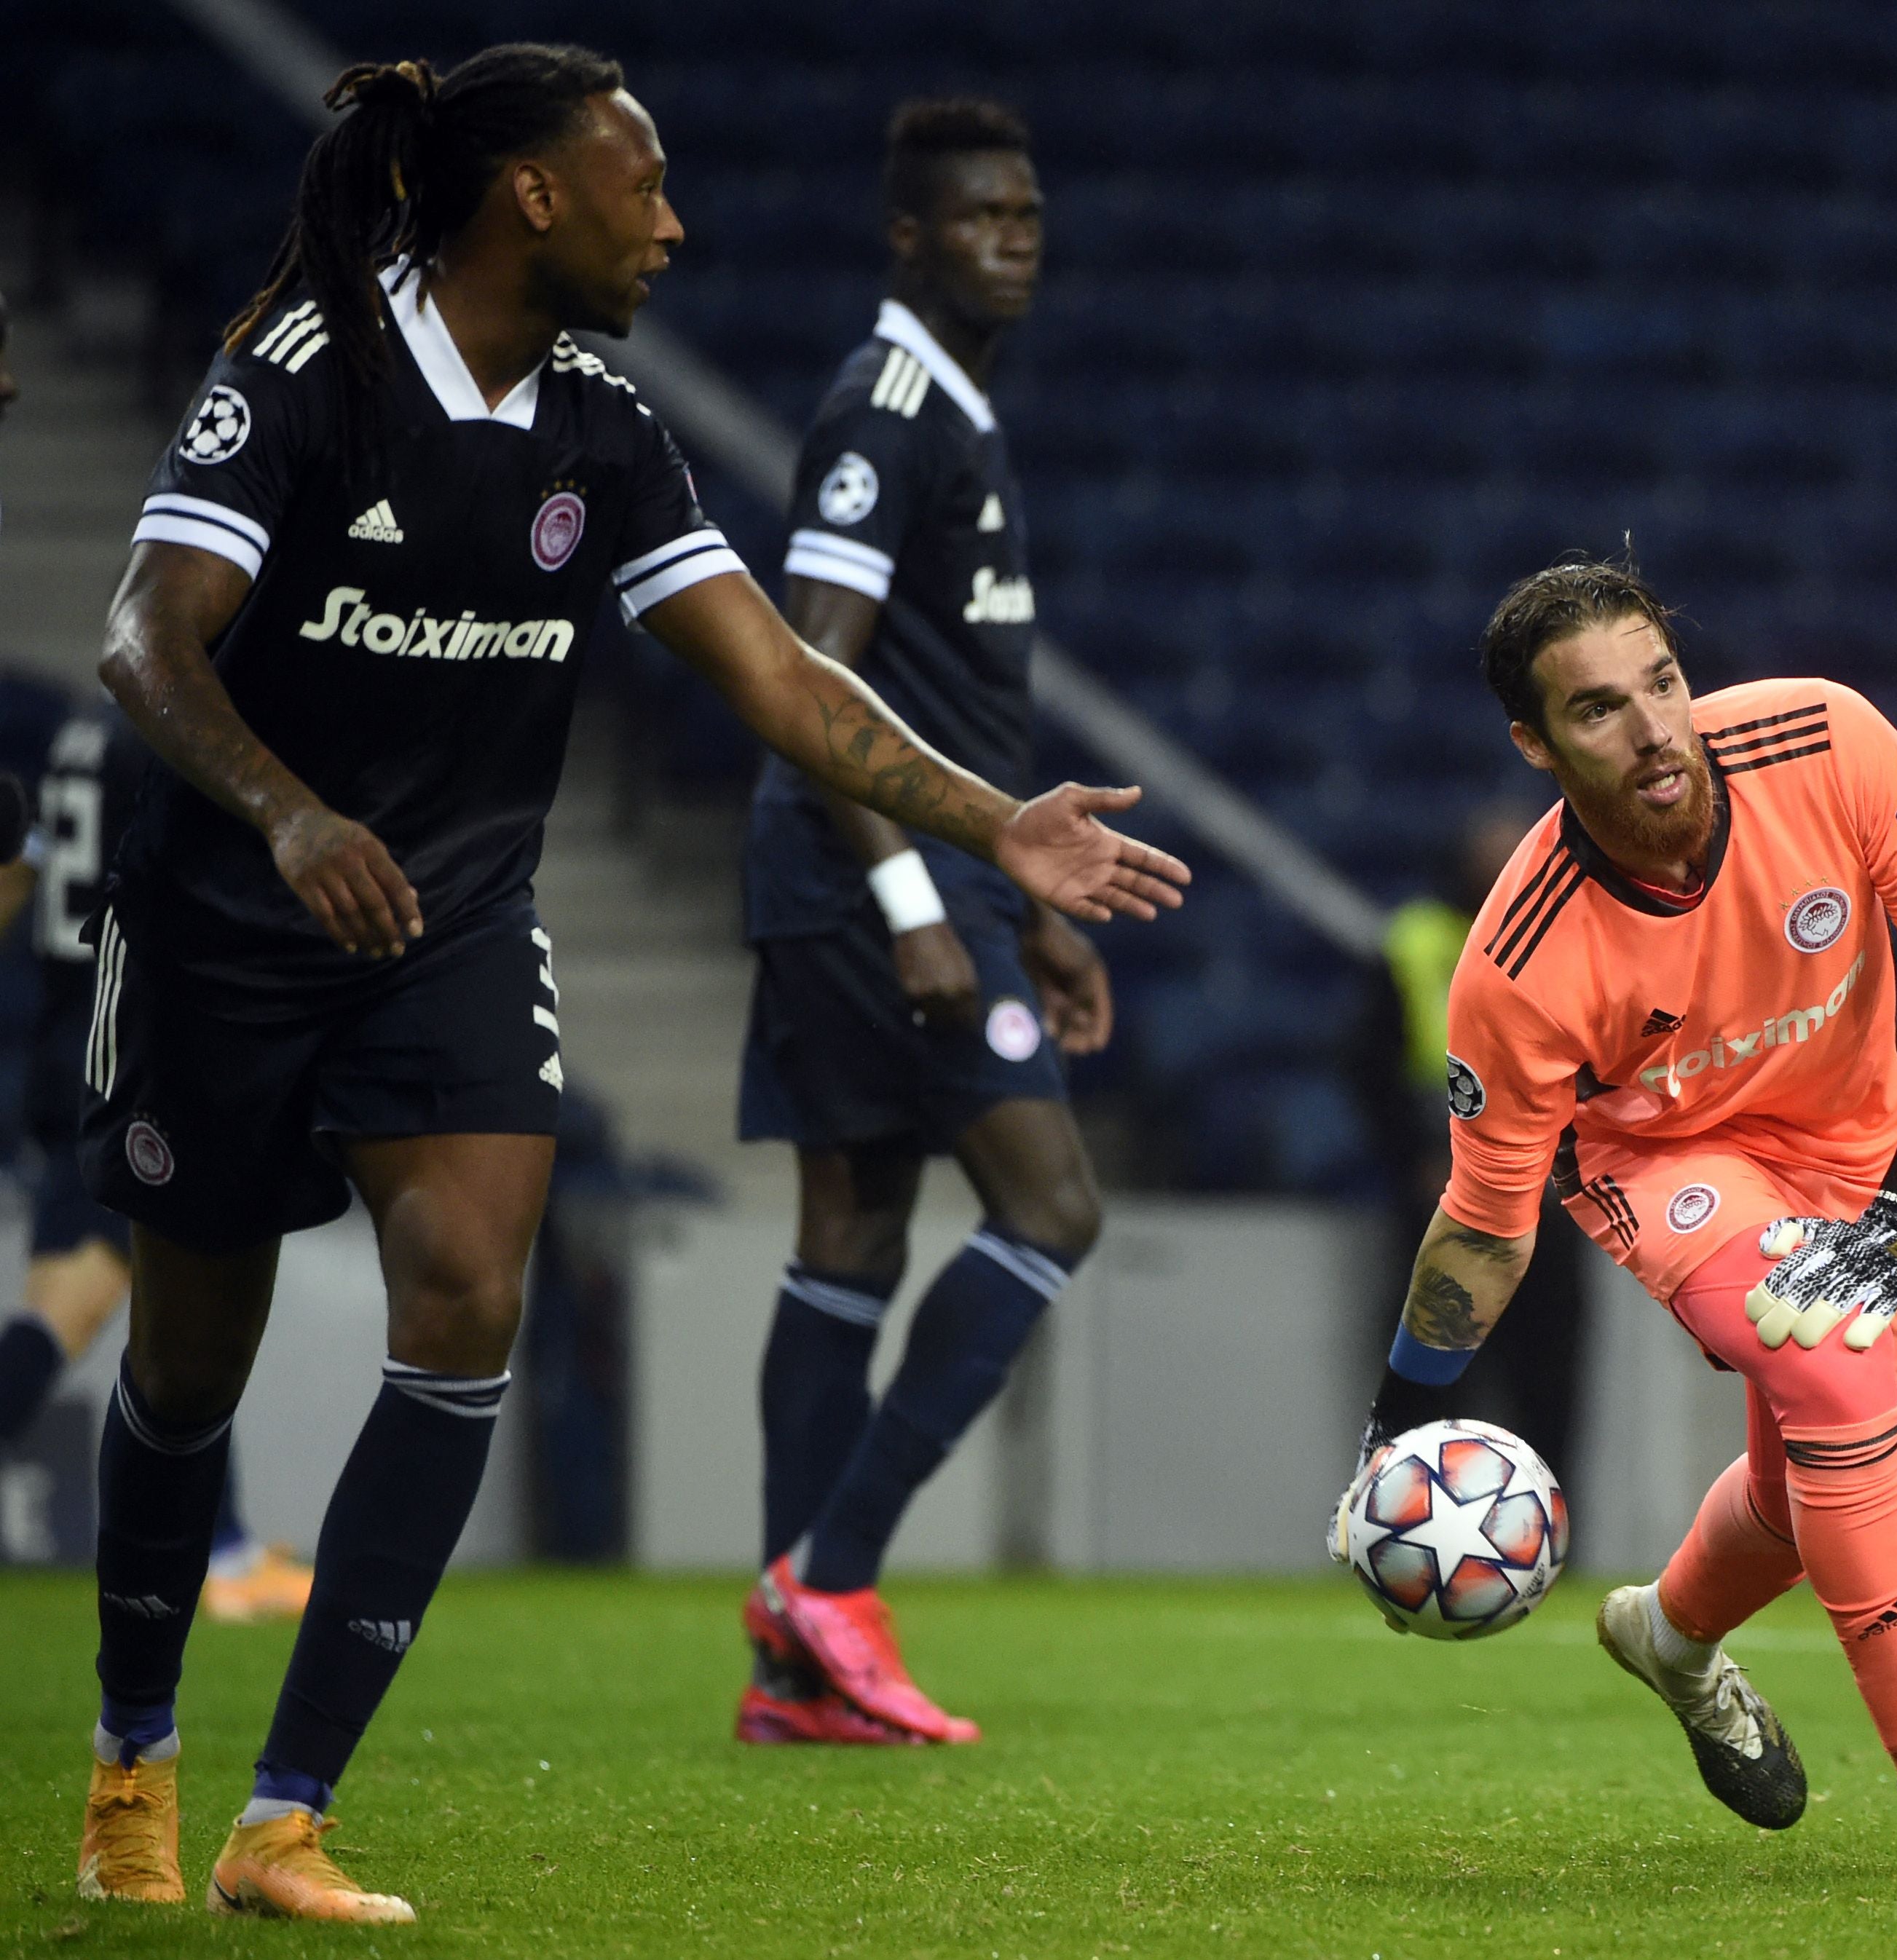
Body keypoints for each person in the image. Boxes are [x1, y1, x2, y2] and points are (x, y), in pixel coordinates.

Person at [73, 47, 1183, 1924]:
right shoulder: (307, 372)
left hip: (454, 923)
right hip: (234, 916)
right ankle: (129, 1764)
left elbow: (781, 680)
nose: (674, 224)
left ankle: (287, 1816)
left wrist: (998, 828)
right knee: (188, 1367)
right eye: (642, 187)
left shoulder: (605, 423)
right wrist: (282, 811)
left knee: (468, 1293)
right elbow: (139, 638)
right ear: (533, 196)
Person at [1329, 556, 1897, 1874]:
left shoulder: (1825, 740)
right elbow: (1486, 1228)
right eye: (1600, 710)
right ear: (1536, 747)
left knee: (1799, 1491)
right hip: (1671, 1162)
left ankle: (1667, 1633)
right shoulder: (1516, 963)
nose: (1657, 726)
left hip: (1855, 1143)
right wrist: (1395, 1427)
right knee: (1839, 1374)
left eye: (1662, 679)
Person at [734, 98, 1115, 1747]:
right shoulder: (885, 410)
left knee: (854, 1232)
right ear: (909, 236)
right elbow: (804, 672)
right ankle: (828, 1575)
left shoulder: (946, 402)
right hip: (867, 869)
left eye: (1027, 214)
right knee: (1052, 1203)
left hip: (935, 866)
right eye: (980, 217)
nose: (1013, 239)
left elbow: (929, 692)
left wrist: (1023, 901)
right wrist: (912, 896)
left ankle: (792, 1673)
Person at [0, 703, 312, 1622]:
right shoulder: (178, 733)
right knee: (102, 1306)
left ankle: (228, 1543)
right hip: (136, 1055)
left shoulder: (77, 732)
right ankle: (224, 1552)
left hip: (69, 1043)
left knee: (171, 1305)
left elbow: (24, 869)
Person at [1348, 803, 1590, 1494]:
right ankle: (1405, 1524)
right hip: (1443, 1201)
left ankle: (1540, 1535)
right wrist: (1413, 1163)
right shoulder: (1413, 943)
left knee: (1550, 1386)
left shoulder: (1566, 940)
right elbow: (1366, 1067)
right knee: (1434, 1380)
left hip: (1547, 1204)